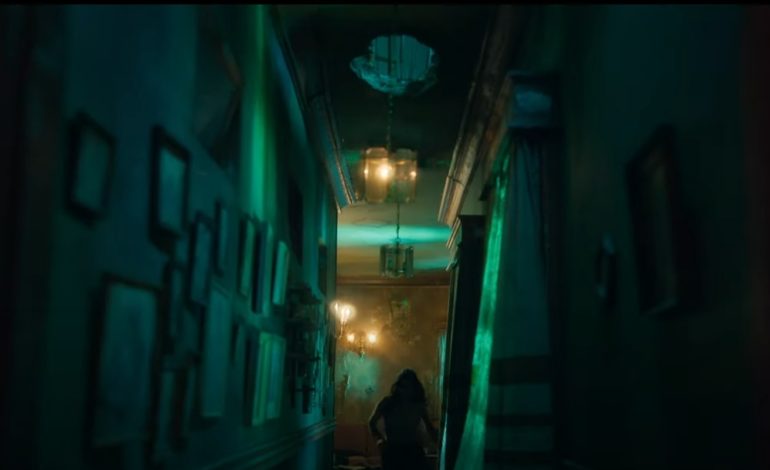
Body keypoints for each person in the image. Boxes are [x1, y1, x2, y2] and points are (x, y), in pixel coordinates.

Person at [368, 369, 439, 470]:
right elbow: (372, 423)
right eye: (402, 386)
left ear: (414, 388)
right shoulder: (388, 403)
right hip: (393, 449)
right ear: (398, 387)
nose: (404, 391)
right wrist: (380, 440)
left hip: (413, 450)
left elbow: (430, 427)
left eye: (408, 387)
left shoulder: (418, 406)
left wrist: (440, 445)